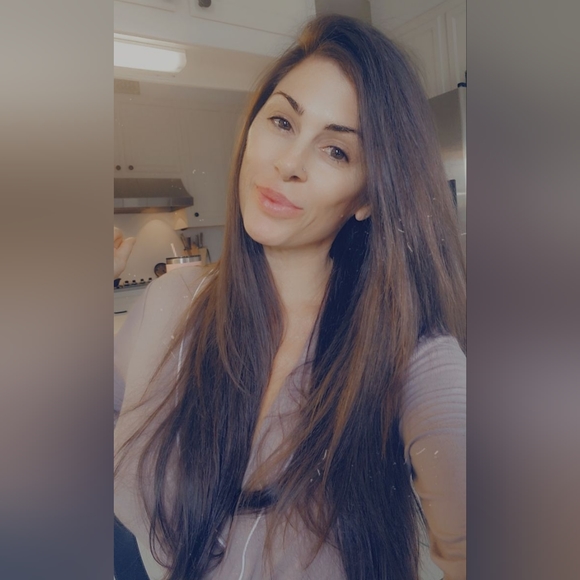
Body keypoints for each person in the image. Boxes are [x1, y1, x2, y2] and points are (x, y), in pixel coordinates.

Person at [114, 14, 466, 580]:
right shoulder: (168, 301)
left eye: (336, 152)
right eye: (283, 121)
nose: (289, 163)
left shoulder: (408, 356)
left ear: (367, 198)